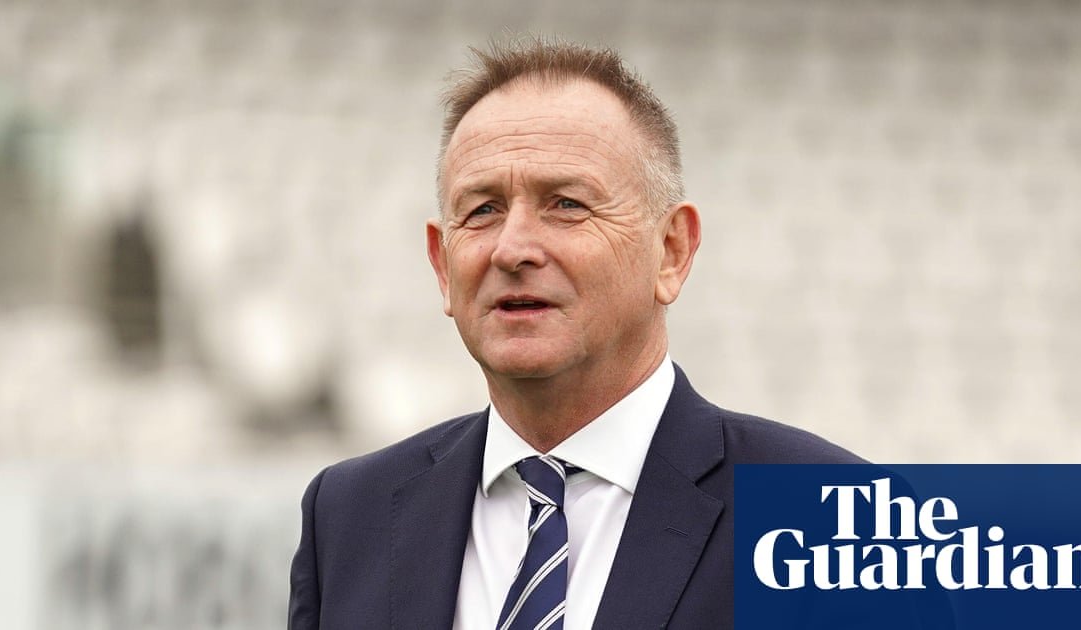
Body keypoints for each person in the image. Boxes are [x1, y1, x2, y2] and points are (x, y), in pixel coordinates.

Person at [288, 38, 873, 629]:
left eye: (566, 204)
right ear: (442, 264)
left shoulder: (834, 516)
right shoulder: (348, 516)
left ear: (671, 251)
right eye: (483, 209)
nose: (512, 248)